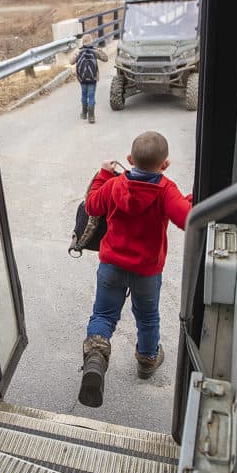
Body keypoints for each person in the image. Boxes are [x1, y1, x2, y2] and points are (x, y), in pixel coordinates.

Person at [78, 131, 193, 408]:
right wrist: (190, 199)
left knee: (104, 314)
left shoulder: (115, 184)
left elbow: (92, 204)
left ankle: (95, 357)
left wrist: (103, 174)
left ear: (130, 160)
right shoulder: (166, 190)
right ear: (165, 165)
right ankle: (146, 360)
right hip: (146, 272)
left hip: (111, 266)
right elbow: (188, 217)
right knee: (148, 318)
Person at [70, 34, 108, 124]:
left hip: (82, 79)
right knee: (91, 96)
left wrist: (76, 53)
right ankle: (91, 117)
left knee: (84, 95)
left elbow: (71, 62)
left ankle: (84, 114)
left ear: (82, 42)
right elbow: (105, 59)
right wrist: (98, 50)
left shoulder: (79, 51)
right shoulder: (94, 51)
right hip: (93, 78)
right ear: (91, 41)